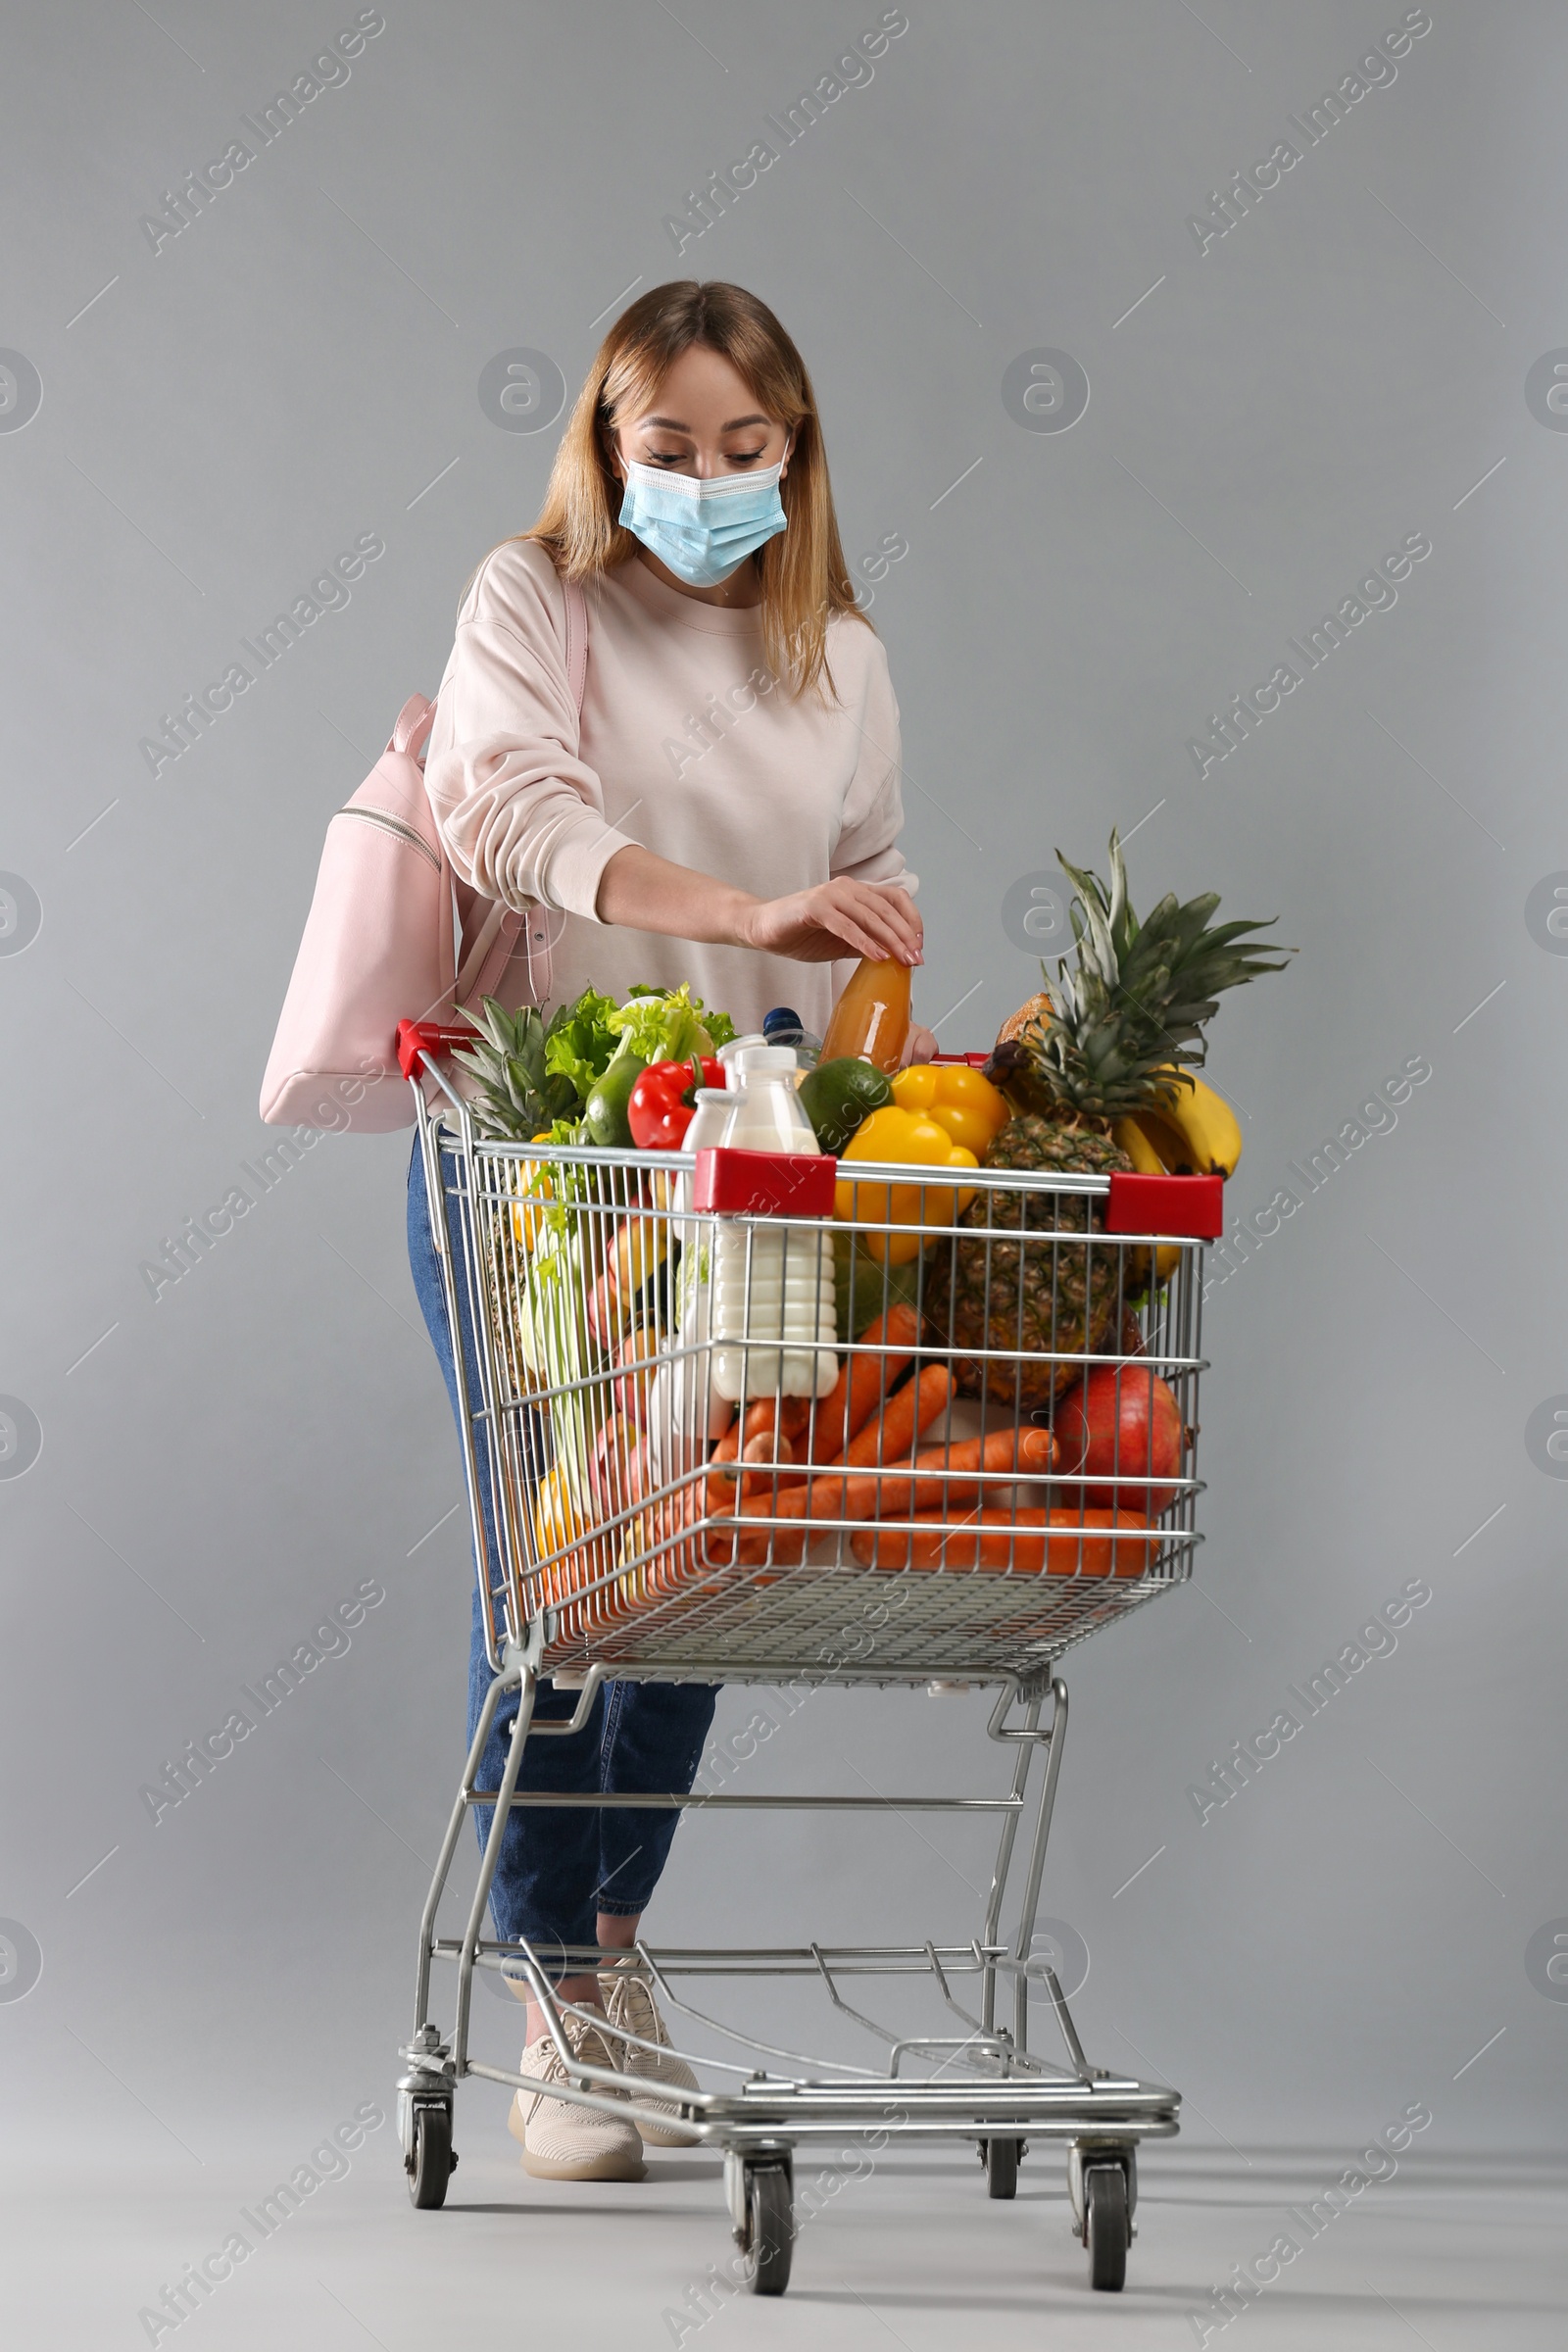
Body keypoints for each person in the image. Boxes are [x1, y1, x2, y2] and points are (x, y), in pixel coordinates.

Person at [407, 279, 935, 2182]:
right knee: (559, 1565)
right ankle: (556, 1992)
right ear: (603, 445)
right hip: (547, 1154)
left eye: (744, 448)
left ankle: (610, 1956)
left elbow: (864, 866)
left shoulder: (839, 655)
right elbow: (508, 814)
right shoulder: (532, 601)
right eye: (668, 447)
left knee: (696, 1567)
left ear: (792, 454)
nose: (706, 481)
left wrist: (870, 941)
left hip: (745, 1154)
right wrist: (749, 907)